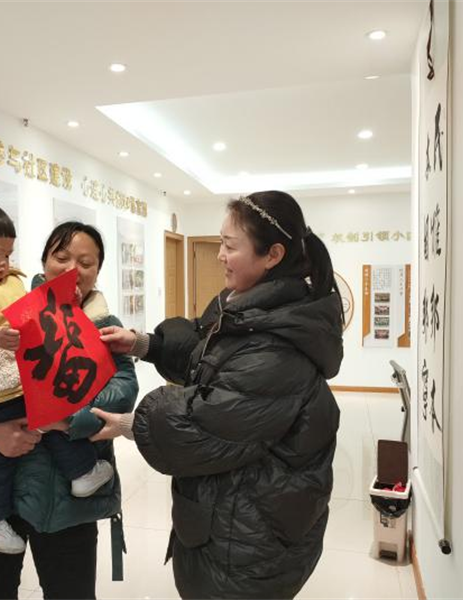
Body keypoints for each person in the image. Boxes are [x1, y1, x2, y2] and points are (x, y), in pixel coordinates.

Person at [94, 191, 344, 600]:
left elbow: (204, 425)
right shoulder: (248, 310)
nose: (220, 256)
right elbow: (206, 353)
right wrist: (143, 344)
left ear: (273, 255)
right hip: (236, 517)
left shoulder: (275, 349)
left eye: (230, 246)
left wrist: (130, 422)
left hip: (245, 537)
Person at [0, 220, 137, 600]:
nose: (72, 269)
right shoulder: (8, 312)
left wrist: (65, 418)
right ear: (44, 261)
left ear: (98, 270)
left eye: (86, 262)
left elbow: (123, 391)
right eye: (62, 257)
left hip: (67, 501)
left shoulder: (107, 326)